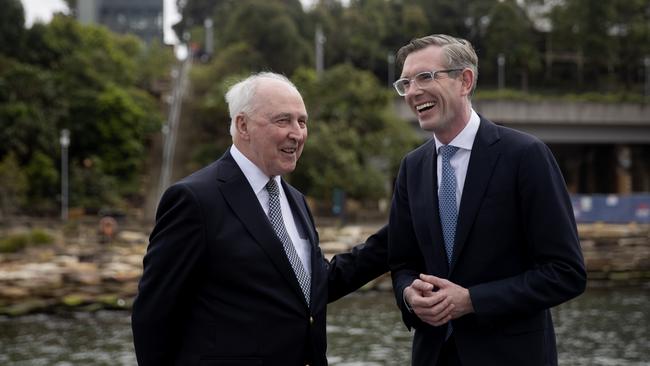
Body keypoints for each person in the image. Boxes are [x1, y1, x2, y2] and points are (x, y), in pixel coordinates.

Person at [131, 72, 388, 366]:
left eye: (302, 121)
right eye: (283, 121)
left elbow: (312, 287)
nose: (297, 133)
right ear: (243, 125)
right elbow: (153, 315)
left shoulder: (296, 200)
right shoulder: (194, 200)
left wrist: (400, 231)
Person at [388, 34, 587, 366]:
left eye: (425, 77)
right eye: (405, 82)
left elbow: (566, 272)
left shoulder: (526, 156)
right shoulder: (412, 167)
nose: (412, 91)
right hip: (433, 356)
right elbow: (402, 264)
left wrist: (473, 300)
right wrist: (409, 294)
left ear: (465, 80)